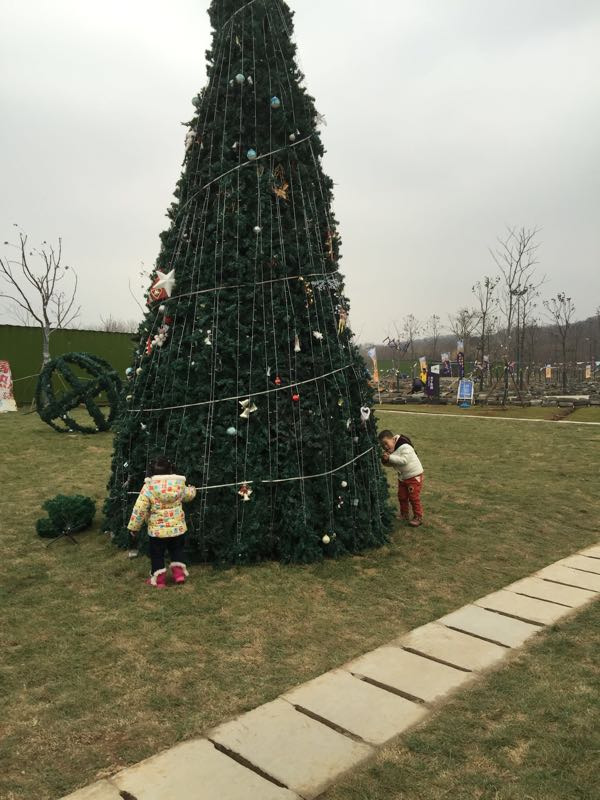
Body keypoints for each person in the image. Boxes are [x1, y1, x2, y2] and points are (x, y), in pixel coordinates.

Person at [127, 456, 197, 587]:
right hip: (178, 529)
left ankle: (159, 580)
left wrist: (134, 528)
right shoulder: (179, 485)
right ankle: (179, 575)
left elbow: (139, 509)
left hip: (157, 532)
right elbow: (189, 495)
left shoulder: (148, 488)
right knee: (177, 550)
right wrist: (193, 489)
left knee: (157, 554)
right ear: (171, 470)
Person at [378, 429, 425, 527]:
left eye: (386, 443)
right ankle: (404, 514)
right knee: (402, 496)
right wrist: (385, 461)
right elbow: (392, 464)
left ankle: (418, 516)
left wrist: (390, 458)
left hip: (414, 476)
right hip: (403, 478)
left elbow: (404, 460)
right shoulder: (392, 451)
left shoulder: (405, 446)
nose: (385, 447)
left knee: (413, 497)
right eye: (383, 446)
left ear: (393, 439)